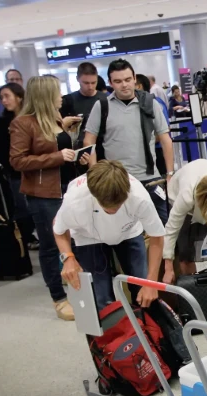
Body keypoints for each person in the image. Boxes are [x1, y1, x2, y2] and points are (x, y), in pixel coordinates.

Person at [11, 75, 92, 321]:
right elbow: (17, 161)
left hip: (70, 189)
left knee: (76, 241)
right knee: (51, 245)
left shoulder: (56, 119)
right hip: (44, 195)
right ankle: (58, 298)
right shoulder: (23, 123)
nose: (62, 96)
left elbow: (58, 148)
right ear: (46, 95)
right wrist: (58, 157)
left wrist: (78, 155)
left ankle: (81, 291)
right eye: (57, 92)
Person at [55, 160, 165, 311]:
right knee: (101, 298)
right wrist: (68, 257)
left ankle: (147, 330)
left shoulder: (139, 197)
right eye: (108, 207)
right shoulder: (75, 201)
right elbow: (59, 229)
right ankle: (112, 332)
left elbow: (157, 237)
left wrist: (151, 282)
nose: (113, 210)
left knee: (144, 291)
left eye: (118, 205)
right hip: (89, 236)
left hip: (129, 231)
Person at [84, 59, 175, 225]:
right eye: (118, 81)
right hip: (117, 182)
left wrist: (170, 174)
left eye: (127, 80)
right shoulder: (101, 106)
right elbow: (89, 141)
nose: (124, 85)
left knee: (163, 229)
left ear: (134, 79)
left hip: (151, 179)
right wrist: (96, 175)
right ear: (111, 83)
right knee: (125, 232)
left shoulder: (150, 103)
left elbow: (165, 139)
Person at [0, 82, 38, 249]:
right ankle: (24, 239)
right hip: (16, 173)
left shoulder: (33, 118)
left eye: (7, 96)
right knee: (22, 207)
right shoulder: (1, 125)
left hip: (39, 169)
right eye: (1, 97)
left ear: (19, 97)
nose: (4, 100)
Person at [59, 62, 101, 146]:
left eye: (93, 83)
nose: (90, 87)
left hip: (101, 146)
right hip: (76, 147)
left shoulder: (106, 99)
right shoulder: (67, 101)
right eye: (86, 83)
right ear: (77, 79)